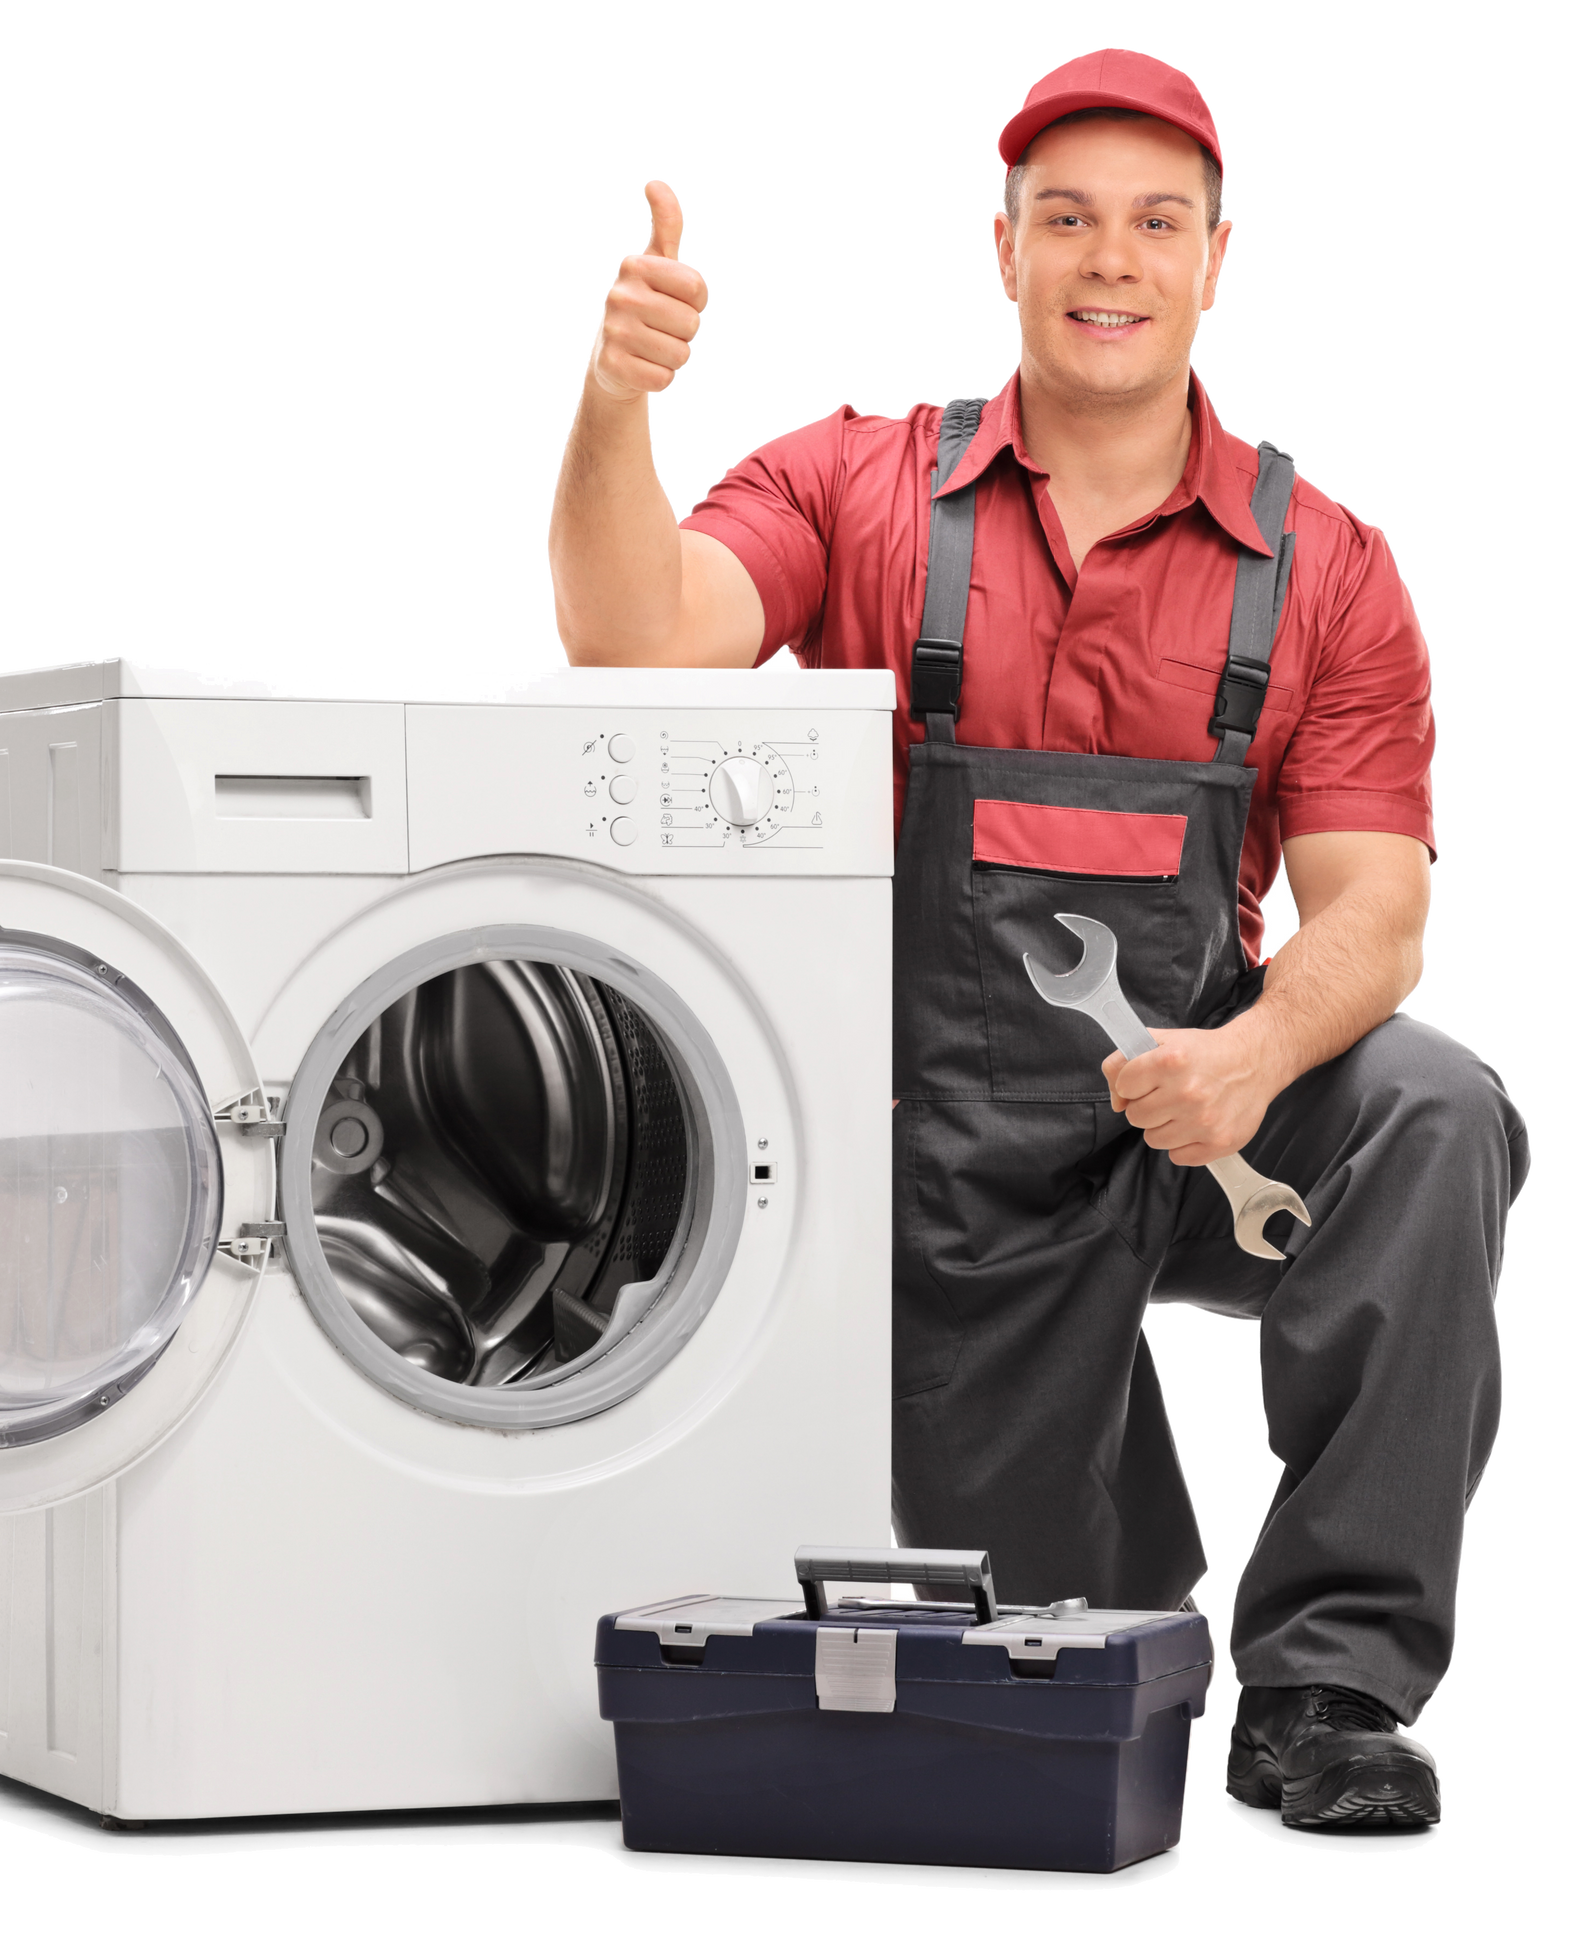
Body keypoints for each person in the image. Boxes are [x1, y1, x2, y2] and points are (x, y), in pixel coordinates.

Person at [545, 45, 1529, 1831]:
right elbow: (635, 635)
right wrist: (616, 407)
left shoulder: (1334, 570)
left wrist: (1251, 1056)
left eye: (1156, 223)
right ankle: (1140, 1603)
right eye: (1064, 218)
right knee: (1047, 1648)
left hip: (1200, 1110)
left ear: (1218, 257)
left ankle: (1322, 1692)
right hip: (934, 1142)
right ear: (1001, 247)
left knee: (1435, 1109)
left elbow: (1380, 908)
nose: (1108, 260)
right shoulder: (855, 484)